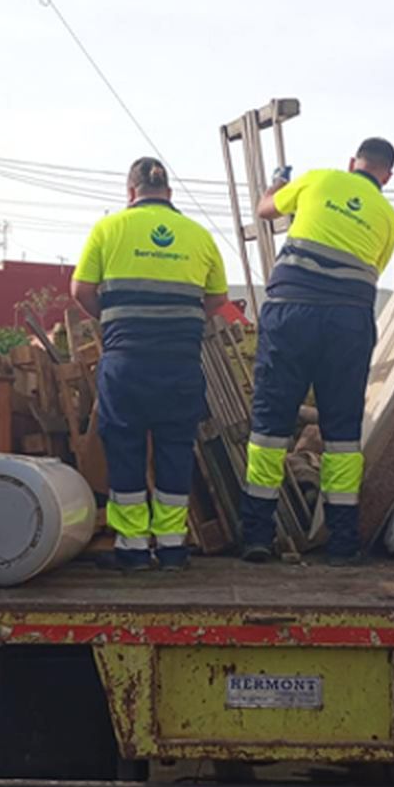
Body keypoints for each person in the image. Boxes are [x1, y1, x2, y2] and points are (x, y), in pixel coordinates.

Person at [240, 137, 394, 565]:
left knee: (270, 427)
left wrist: (277, 184)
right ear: (387, 176)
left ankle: (257, 536)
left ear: (352, 162)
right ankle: (342, 543)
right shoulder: (389, 219)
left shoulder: (318, 180)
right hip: (348, 322)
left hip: (291, 312)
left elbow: (265, 209)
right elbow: (370, 270)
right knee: (343, 433)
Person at [71, 157, 229, 571]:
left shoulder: (108, 229)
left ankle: (133, 549)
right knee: (175, 450)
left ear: (130, 192)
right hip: (180, 364)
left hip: (126, 361)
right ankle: (174, 548)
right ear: (169, 193)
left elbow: (81, 290)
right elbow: (217, 298)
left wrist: (112, 319)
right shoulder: (199, 235)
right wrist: (183, 319)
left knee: (125, 450)